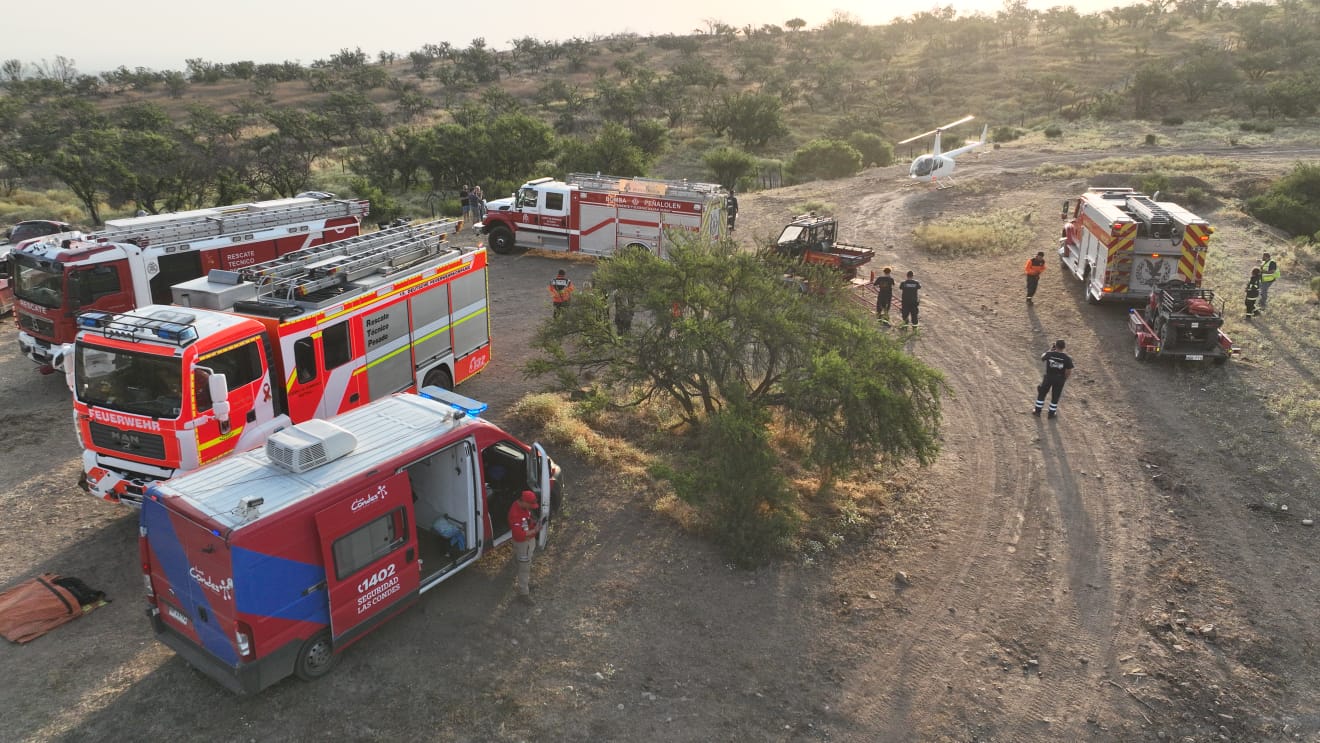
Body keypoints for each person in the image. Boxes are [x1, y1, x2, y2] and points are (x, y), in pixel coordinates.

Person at [508, 490, 541, 601]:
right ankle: (523, 593)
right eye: (530, 505)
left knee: (526, 564)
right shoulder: (515, 513)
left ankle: (525, 583)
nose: (531, 508)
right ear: (524, 501)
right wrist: (535, 530)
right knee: (524, 568)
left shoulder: (523, 507)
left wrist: (534, 523)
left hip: (528, 543)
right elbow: (519, 534)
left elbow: (527, 519)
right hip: (523, 545)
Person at [1033, 339, 1074, 419]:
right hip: (1060, 379)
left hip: (1049, 377)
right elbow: (1068, 371)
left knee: (1042, 393)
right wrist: (1064, 378)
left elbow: (1042, 358)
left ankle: (1037, 412)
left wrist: (1050, 350)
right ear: (1064, 347)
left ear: (1056, 346)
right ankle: (1051, 414)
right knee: (1055, 396)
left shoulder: (1050, 354)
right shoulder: (1067, 358)